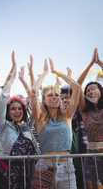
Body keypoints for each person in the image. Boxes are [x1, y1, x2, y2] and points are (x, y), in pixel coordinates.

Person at [20, 56, 80, 189]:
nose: (54, 97)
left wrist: (57, 72)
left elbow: (76, 87)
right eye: (50, 95)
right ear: (44, 100)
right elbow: (34, 92)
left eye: (57, 95)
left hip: (67, 168)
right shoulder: (40, 118)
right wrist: (45, 73)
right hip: (44, 167)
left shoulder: (67, 116)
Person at [0, 51, 38, 189]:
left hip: (28, 174)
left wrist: (26, 78)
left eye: (19, 109)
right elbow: (3, 99)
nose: (17, 111)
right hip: (7, 176)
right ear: (8, 112)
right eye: (13, 109)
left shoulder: (27, 127)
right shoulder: (3, 126)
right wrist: (12, 75)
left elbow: (34, 102)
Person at [76, 48, 103, 189]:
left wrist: (99, 63)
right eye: (88, 90)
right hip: (90, 156)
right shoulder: (84, 110)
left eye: (94, 88)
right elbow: (76, 86)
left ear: (101, 91)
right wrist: (90, 64)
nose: (91, 91)